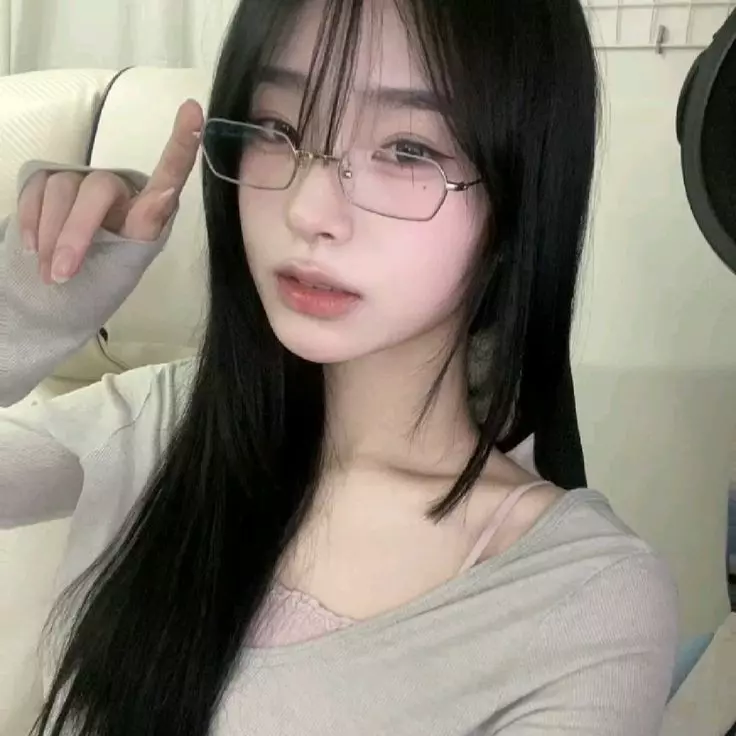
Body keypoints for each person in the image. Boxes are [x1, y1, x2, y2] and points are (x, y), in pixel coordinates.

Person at [0, 0, 679, 734]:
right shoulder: (160, 423)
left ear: (519, 199)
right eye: (276, 129)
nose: (310, 209)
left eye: (407, 150)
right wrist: (27, 308)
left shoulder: (578, 600)